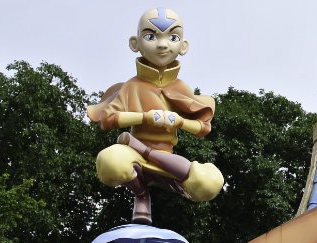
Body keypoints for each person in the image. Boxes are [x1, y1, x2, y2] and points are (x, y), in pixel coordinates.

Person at [88, 7, 223, 224]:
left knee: (211, 183)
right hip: (134, 158)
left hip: (167, 159)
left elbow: (203, 127)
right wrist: (145, 117)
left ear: (183, 46)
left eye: (173, 37)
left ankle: (146, 151)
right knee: (109, 161)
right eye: (151, 36)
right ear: (135, 43)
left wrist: (179, 121)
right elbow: (108, 120)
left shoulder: (181, 88)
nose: (162, 44)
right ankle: (141, 194)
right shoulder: (132, 86)